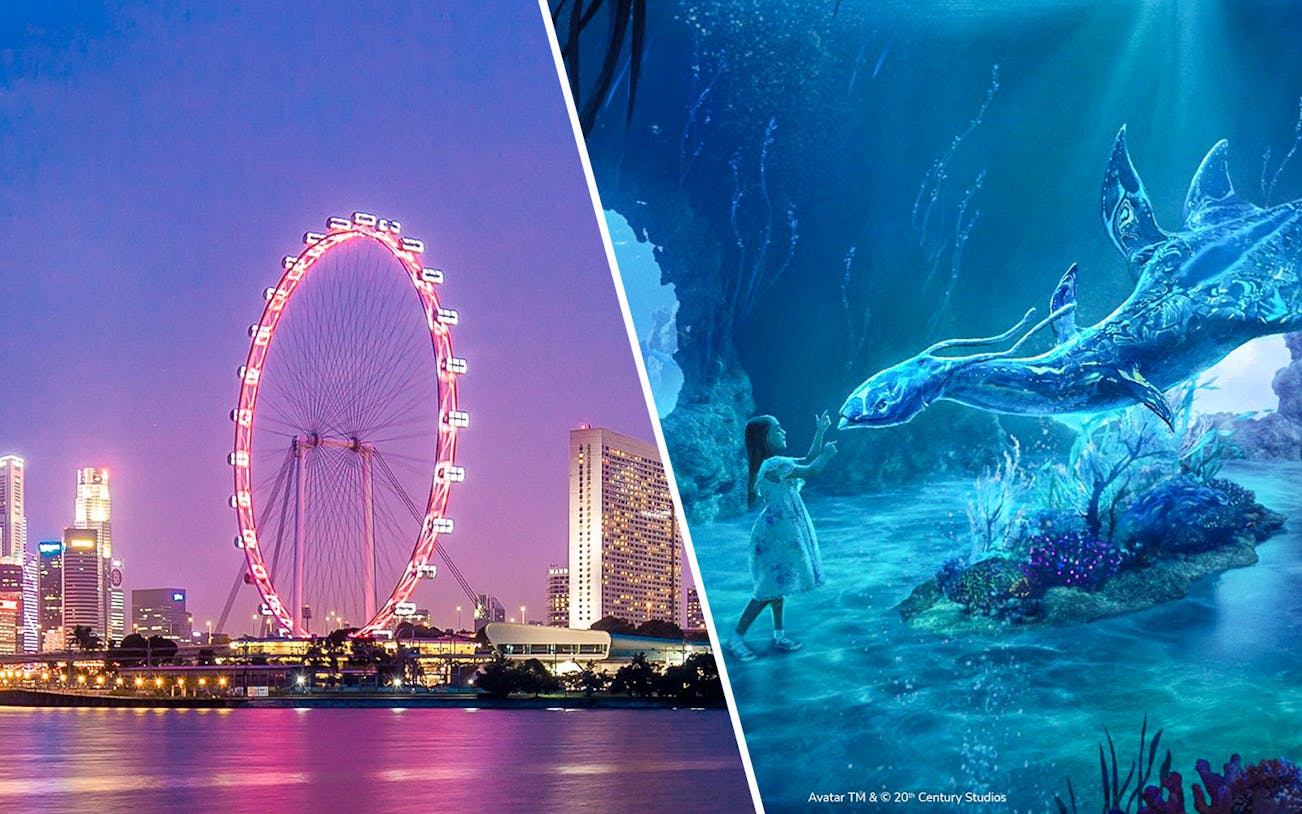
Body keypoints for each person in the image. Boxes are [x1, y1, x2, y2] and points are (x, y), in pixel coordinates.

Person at [725, 411, 837, 662]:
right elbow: (812, 469)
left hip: (782, 529)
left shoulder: (775, 463)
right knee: (766, 588)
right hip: (779, 533)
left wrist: (820, 430)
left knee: (778, 585)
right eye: (777, 429)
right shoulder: (774, 466)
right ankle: (735, 638)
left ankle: (778, 633)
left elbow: (807, 457)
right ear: (765, 437)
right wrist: (828, 454)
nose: (783, 431)